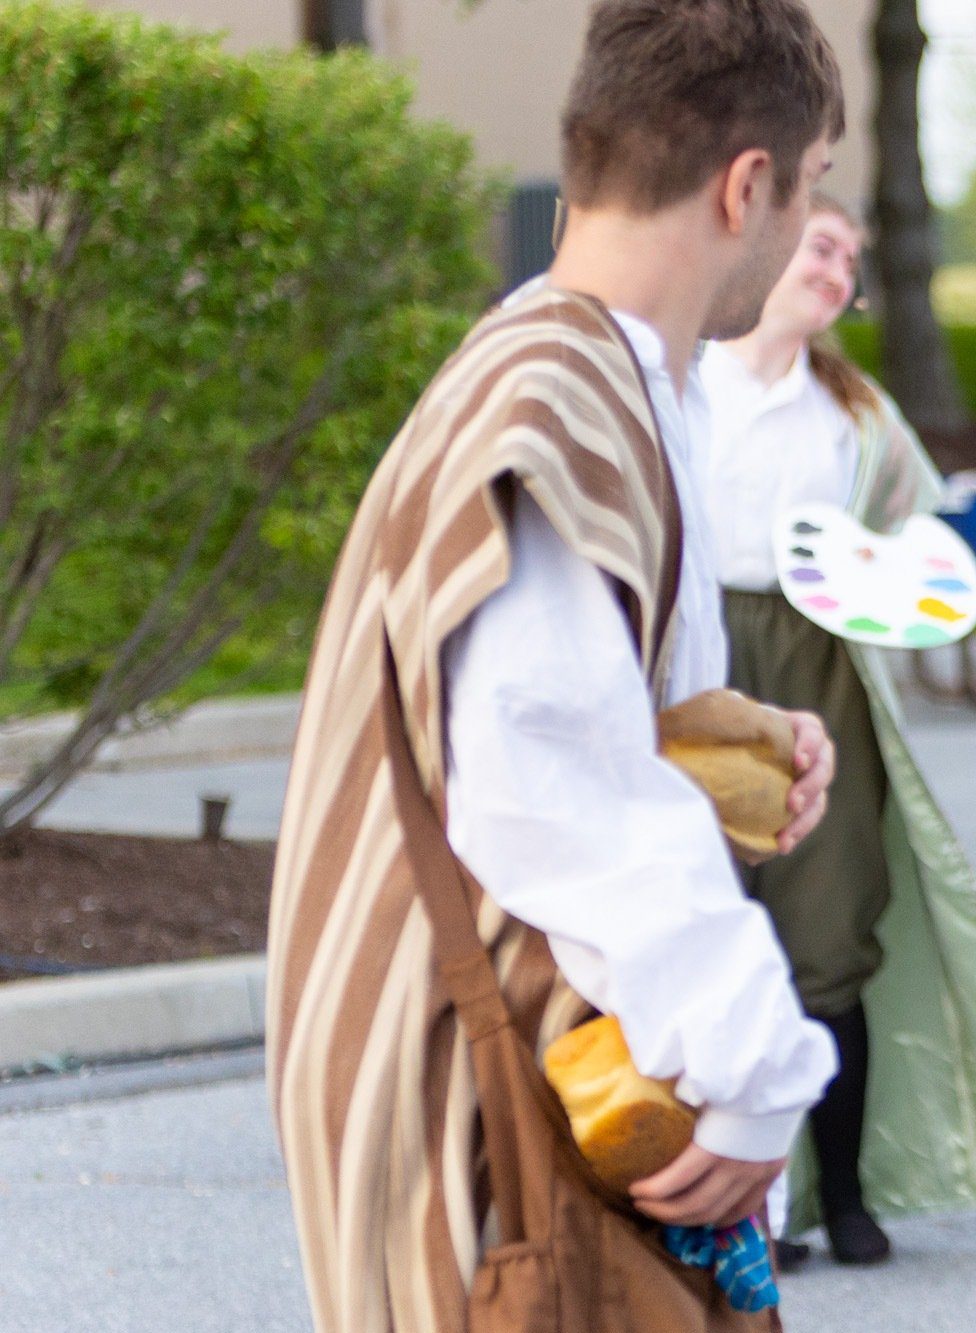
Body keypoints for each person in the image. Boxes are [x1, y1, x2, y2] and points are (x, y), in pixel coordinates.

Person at [266, 1, 848, 1327]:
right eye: (811, 186)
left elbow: (561, 711)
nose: (810, 219)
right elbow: (546, 776)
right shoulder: (555, 399)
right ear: (746, 183)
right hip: (493, 1107)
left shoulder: (587, 370)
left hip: (526, 1077)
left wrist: (722, 742)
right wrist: (758, 1072)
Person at [696, 194, 976, 1266]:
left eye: (851, 258)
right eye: (821, 246)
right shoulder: (683, 383)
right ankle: (750, 1204)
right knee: (707, 921)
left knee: (827, 928)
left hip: (817, 664)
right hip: (699, 658)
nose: (839, 269)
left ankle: (843, 1191)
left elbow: (919, 539)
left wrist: (934, 559)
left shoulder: (853, 413)